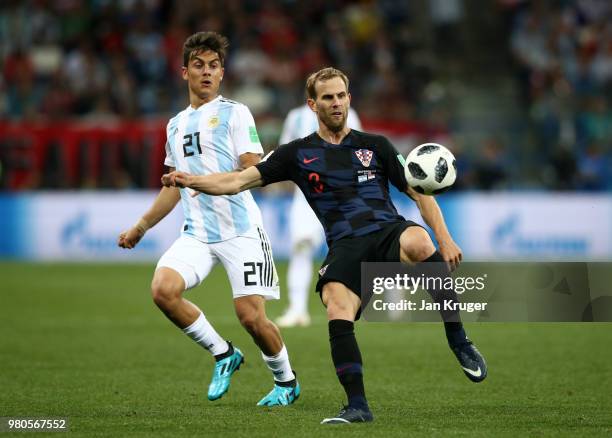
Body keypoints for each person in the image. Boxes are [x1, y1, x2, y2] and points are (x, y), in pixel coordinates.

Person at [161, 67, 487, 424]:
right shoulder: (296, 154)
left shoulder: (375, 145)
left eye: (341, 96)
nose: (336, 103)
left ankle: (459, 340)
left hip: (387, 231)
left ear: (349, 99)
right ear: (312, 104)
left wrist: (445, 238)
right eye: (328, 97)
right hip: (345, 245)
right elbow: (239, 181)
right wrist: (191, 180)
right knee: (335, 304)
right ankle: (358, 406)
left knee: (419, 239)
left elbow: (419, 193)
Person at [118, 31, 299, 406]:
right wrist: (140, 226)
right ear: (184, 72)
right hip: (197, 233)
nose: (206, 72)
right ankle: (223, 354)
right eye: (198, 66)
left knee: (251, 317)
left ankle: (286, 381)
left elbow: (252, 169)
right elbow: (173, 186)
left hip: (241, 230)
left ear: (221, 73)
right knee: (163, 290)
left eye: (213, 66)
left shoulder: (236, 112)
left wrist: (200, 181)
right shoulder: (175, 124)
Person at [276, 103, 362, 328]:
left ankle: (386, 296)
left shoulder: (348, 113)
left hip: (343, 194)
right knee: (301, 247)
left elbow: (361, 151)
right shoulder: (295, 117)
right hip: (306, 195)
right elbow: (284, 152)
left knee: (365, 245)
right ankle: (297, 309)